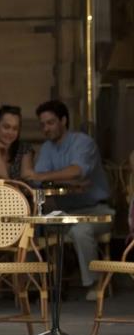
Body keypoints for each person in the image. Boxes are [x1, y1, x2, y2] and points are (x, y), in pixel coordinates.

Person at [23, 100, 113, 301]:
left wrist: (45, 177)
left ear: (63, 120)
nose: (46, 128)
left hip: (96, 210)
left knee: (81, 230)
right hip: (63, 213)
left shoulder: (83, 142)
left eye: (51, 123)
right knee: (30, 226)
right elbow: (36, 180)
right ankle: (38, 285)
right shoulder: (47, 148)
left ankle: (95, 284)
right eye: (42, 124)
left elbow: (77, 171)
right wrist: (50, 179)